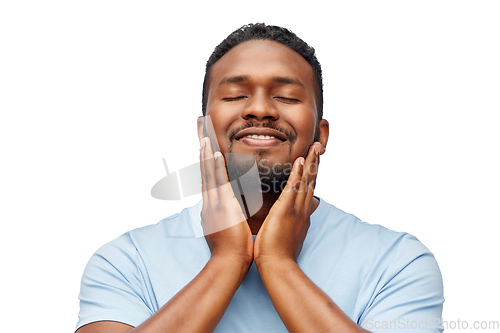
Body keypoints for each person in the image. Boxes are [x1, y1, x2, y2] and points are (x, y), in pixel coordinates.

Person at [76, 23, 444, 333]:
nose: (259, 109)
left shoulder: (398, 261)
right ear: (202, 130)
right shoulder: (125, 262)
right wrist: (228, 259)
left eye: (285, 96)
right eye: (236, 94)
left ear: (321, 135)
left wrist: (278, 263)